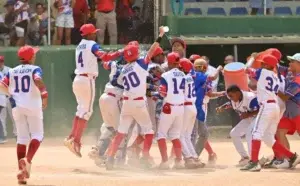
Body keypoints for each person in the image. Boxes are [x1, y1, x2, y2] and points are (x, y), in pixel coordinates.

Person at [105, 26, 165, 170]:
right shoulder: (141, 63)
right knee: (149, 132)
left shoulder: (124, 69)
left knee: (121, 133)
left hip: (126, 103)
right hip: (138, 103)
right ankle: (144, 158)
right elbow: (152, 50)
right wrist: (161, 35)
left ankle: (110, 158)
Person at [64, 23, 123, 157]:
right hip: (87, 80)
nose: (95, 34)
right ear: (89, 34)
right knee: (87, 111)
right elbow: (105, 57)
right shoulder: (92, 44)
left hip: (78, 79)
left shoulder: (80, 45)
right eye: (94, 33)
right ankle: (76, 141)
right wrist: (120, 52)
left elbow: (93, 59)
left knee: (81, 110)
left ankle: (71, 137)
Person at [241, 54, 300, 172]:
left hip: (267, 106)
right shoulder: (275, 76)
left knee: (256, 133)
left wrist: (252, 59)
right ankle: (292, 156)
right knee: (268, 137)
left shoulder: (262, 72)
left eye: (263, 63)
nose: (261, 65)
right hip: (275, 107)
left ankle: (254, 162)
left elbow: (245, 69)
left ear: (267, 65)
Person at [0, 45, 48, 185]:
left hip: (17, 106)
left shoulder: (12, 71)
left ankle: (21, 174)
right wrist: (45, 95)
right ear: (31, 57)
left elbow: (2, 85)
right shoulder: (35, 68)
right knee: (37, 135)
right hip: (33, 105)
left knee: (21, 138)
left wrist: (11, 94)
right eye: (34, 54)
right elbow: (38, 80)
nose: (35, 56)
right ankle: (27, 160)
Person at [88, 57, 124, 166]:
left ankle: (97, 149)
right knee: (120, 131)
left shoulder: (114, 63)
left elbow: (104, 63)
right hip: (115, 98)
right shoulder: (131, 68)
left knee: (108, 127)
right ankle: (117, 159)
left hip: (104, 96)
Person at [216, 85, 259, 166]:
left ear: (238, 93)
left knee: (249, 134)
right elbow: (230, 103)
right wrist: (223, 107)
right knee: (234, 133)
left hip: (258, 119)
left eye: (232, 96)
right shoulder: (234, 98)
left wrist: (249, 114)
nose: (230, 98)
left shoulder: (250, 97)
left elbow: (260, 109)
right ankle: (245, 157)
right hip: (248, 119)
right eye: (229, 96)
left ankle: (253, 159)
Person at [156, 52, 186, 170]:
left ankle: (165, 162)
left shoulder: (166, 75)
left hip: (169, 107)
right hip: (180, 108)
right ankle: (179, 161)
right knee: (175, 135)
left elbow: (163, 93)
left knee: (161, 135)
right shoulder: (183, 74)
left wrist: (157, 91)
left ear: (168, 62)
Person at [193, 59, 224, 164]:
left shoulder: (188, 76)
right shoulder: (203, 77)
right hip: (200, 107)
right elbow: (210, 93)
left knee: (191, 133)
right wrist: (219, 68)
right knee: (199, 133)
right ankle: (192, 156)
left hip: (187, 107)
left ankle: (179, 157)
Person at [275, 53, 300, 168]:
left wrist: (274, 89)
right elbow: (274, 66)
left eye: (292, 62)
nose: (289, 63)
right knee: (280, 132)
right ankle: (289, 159)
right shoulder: (289, 73)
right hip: (289, 112)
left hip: (298, 112)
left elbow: (285, 97)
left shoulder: (299, 79)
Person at [179, 58, 204, 169]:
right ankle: (195, 158)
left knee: (180, 135)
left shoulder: (183, 77)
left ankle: (189, 159)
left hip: (185, 107)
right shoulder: (190, 77)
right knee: (187, 136)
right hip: (192, 106)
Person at [0, 56, 16, 143]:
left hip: (10, 96)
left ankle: (16, 134)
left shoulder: (10, 70)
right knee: (2, 117)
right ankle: (4, 135)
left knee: (14, 116)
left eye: (1, 61)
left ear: (3, 62)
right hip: (2, 97)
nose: (0, 63)